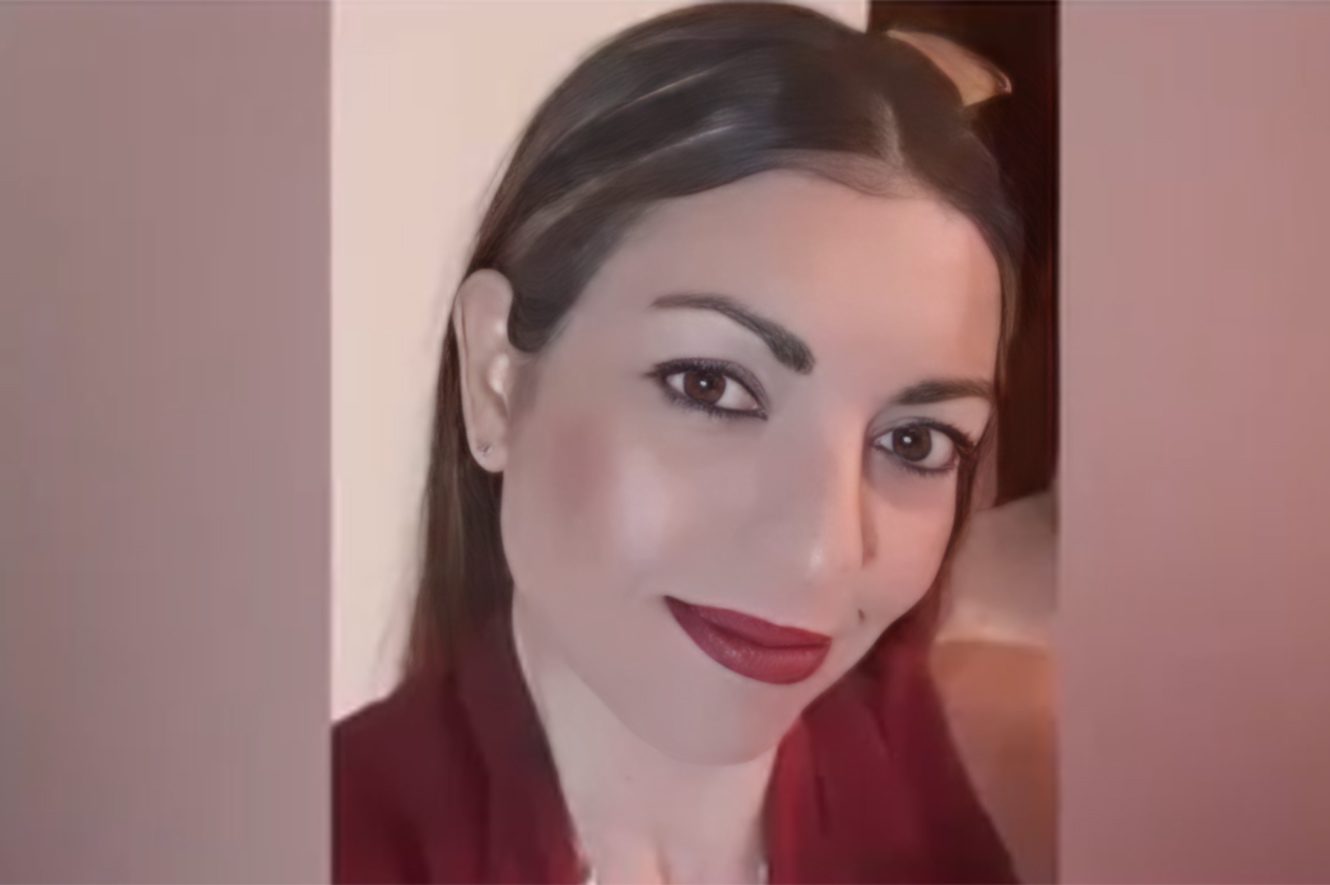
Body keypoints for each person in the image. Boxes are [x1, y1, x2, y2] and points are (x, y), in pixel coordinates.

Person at [333, 3, 1028, 882]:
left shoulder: (900, 744)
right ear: (495, 379)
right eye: (711, 386)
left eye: (916, 440)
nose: (822, 554)